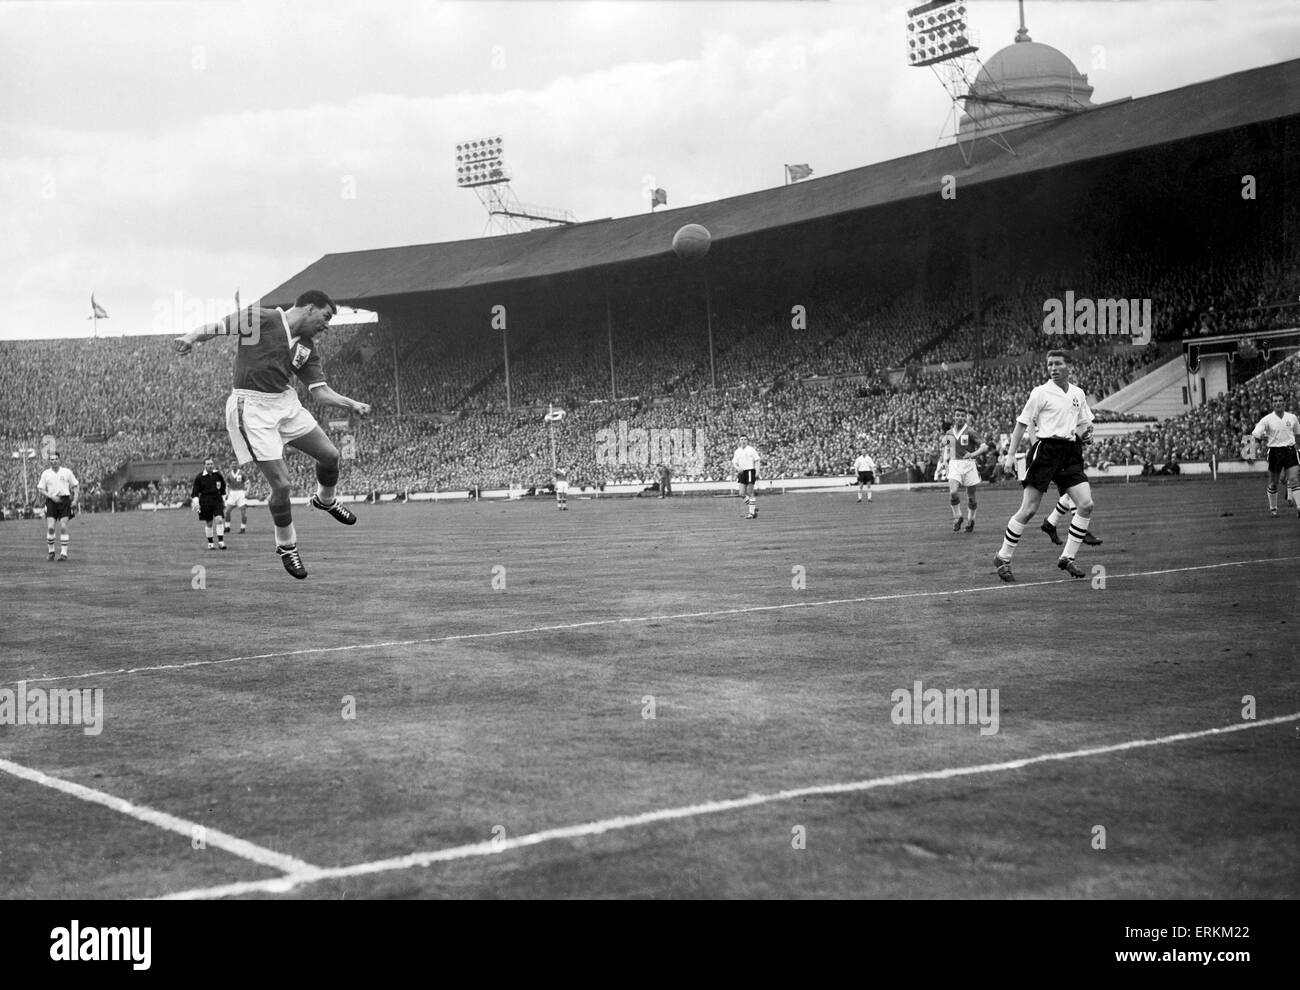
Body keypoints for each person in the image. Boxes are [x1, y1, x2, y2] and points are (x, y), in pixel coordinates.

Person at [173, 289, 371, 579]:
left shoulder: (305, 347)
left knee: (330, 456)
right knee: (282, 486)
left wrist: (350, 404)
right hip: (251, 407)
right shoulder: (261, 319)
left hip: (284, 402)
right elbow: (218, 327)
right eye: (325, 317)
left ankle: (324, 500)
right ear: (309, 308)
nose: (326, 325)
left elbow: (320, 391)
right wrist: (191, 337)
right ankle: (287, 545)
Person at [995, 350, 1096, 582]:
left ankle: (1067, 557)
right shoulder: (1040, 393)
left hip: (1070, 452)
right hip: (1046, 451)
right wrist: (1010, 456)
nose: (1052, 367)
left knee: (1086, 504)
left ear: (1069, 366)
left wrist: (1087, 434)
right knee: (1029, 510)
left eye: (1058, 363)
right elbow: (1021, 424)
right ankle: (1003, 556)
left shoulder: (1078, 394)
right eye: (1049, 364)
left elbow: (1084, 424)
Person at [1250, 391, 1300, 517]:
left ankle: (1299, 508)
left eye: (1280, 400)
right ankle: (1273, 508)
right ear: (1272, 404)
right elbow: (1255, 433)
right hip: (1275, 452)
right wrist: (1261, 437)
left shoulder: (1292, 417)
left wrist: (1298, 447)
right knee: (1274, 483)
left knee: (1294, 479)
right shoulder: (1266, 419)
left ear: (1284, 402)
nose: (1278, 403)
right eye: (1275, 401)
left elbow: (1298, 434)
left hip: (1290, 450)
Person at [943, 406, 987, 533]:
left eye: (963, 416)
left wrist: (972, 455)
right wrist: (946, 462)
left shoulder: (971, 432)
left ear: (965, 417)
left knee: (971, 497)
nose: (960, 418)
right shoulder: (949, 433)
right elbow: (947, 448)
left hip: (968, 464)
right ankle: (957, 517)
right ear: (954, 417)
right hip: (954, 464)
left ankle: (971, 520)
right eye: (958, 415)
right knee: (953, 492)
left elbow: (984, 447)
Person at [37, 452, 78, 562]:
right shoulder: (46, 473)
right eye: (52, 459)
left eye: (56, 459)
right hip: (51, 501)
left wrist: (75, 499)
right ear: (49, 461)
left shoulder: (67, 472)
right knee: (51, 527)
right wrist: (51, 496)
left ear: (59, 460)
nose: (54, 461)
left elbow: (75, 485)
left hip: (64, 500)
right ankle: (51, 552)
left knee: (63, 526)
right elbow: (41, 489)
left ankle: (64, 554)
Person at [190, 457, 228, 550]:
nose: (210, 466)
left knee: (219, 520)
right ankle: (210, 543)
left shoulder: (218, 475)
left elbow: (223, 489)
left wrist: (224, 500)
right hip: (205, 500)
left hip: (217, 499)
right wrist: (196, 503)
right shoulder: (199, 477)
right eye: (208, 464)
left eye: (211, 464)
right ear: (204, 465)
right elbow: (194, 493)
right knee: (209, 522)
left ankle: (221, 542)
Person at [732, 435, 761, 520]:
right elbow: (734, 462)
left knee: (749, 492)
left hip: (750, 471)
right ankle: (753, 508)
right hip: (742, 472)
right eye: (742, 439)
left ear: (747, 441)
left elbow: (757, 460)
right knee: (741, 494)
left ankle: (751, 513)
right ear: (739, 441)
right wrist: (738, 468)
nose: (743, 441)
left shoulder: (751, 449)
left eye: (745, 439)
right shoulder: (737, 451)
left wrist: (757, 471)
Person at [224, 462, 249, 533]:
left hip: (240, 493)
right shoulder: (229, 474)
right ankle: (227, 527)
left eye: (235, 463)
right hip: (232, 493)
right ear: (230, 465)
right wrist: (227, 493)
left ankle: (243, 529)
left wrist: (247, 491)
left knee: (243, 512)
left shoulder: (242, 473)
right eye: (232, 464)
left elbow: (248, 482)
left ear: (237, 465)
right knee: (227, 511)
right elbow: (227, 485)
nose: (234, 465)